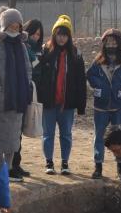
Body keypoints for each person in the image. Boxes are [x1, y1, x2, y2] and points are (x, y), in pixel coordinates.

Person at [35, 15, 87, 175]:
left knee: (66, 135)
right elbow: (38, 76)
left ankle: (65, 163)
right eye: (59, 34)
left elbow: (81, 81)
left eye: (65, 35)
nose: (61, 38)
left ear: (69, 36)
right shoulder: (45, 52)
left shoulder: (76, 54)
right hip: (48, 103)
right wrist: (39, 97)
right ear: (54, 35)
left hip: (67, 104)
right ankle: (49, 162)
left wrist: (81, 104)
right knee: (48, 134)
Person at [86, 29, 121, 180]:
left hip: (120, 106)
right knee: (99, 136)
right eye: (108, 42)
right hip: (101, 107)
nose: (111, 45)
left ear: (119, 43)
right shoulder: (98, 61)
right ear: (104, 44)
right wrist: (99, 85)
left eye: (114, 42)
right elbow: (90, 75)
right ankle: (98, 166)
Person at [0, 7, 33, 180]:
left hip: (18, 100)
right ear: (4, 26)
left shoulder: (21, 45)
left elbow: (28, 70)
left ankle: (7, 171)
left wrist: (26, 87)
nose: (14, 29)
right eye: (11, 26)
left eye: (17, 26)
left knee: (13, 140)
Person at [11, 19, 44, 179]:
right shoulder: (23, 47)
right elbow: (35, 67)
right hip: (20, 92)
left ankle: (16, 163)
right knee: (14, 132)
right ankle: (12, 164)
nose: (35, 37)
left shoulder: (39, 49)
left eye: (38, 35)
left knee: (20, 131)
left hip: (30, 93)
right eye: (33, 34)